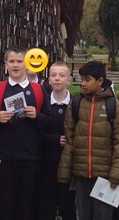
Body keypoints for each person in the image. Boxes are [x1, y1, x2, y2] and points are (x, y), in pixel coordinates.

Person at [57, 61, 119, 220]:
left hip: (105, 177)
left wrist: (116, 175)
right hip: (81, 175)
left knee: (103, 216)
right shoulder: (75, 104)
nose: (83, 83)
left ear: (100, 81)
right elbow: (70, 140)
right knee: (83, 215)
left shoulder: (113, 107)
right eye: (81, 79)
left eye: (87, 79)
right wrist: (64, 172)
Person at [0, 46, 48, 220]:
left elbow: (48, 123)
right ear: (5, 64)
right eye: (11, 61)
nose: (15, 65)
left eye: (19, 61)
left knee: (26, 208)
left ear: (26, 64)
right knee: (2, 208)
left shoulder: (38, 90)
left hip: (29, 159)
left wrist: (37, 116)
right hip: (2, 160)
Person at [38, 61, 77, 220]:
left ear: (69, 79)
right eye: (53, 75)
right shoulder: (42, 103)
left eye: (62, 75)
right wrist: (54, 140)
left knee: (68, 205)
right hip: (47, 162)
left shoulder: (76, 104)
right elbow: (36, 132)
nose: (57, 79)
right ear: (48, 79)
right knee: (47, 204)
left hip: (70, 164)